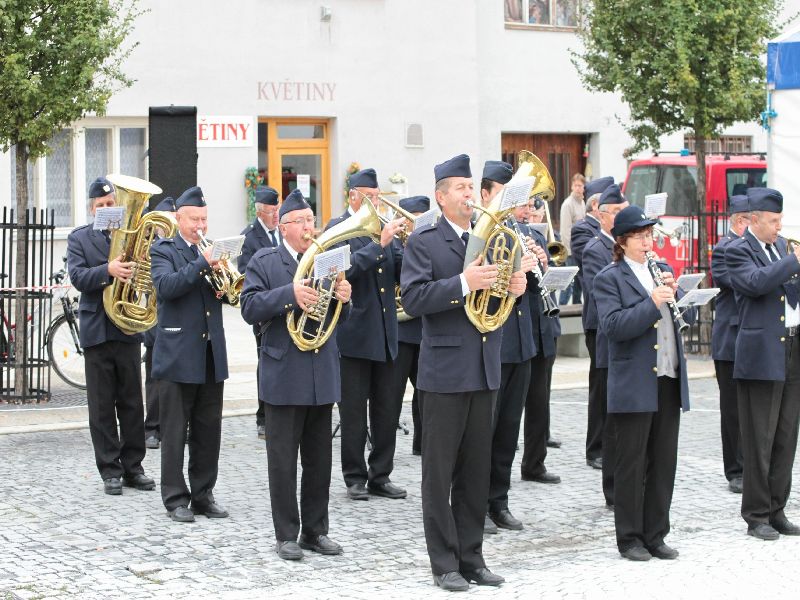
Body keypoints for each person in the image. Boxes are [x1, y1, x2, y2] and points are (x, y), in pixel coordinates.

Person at [401, 154, 527, 591]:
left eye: (472, 188)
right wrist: (462, 284)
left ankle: (472, 556)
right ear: (440, 196)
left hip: (484, 367)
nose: (470, 195)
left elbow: (494, 308)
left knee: (476, 471)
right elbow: (414, 300)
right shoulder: (425, 241)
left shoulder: (488, 238)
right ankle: (444, 563)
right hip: (444, 372)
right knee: (439, 474)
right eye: (460, 189)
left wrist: (512, 287)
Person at [240, 189, 352, 561]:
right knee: (284, 463)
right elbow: (250, 307)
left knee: (319, 462)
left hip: (321, 373)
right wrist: (289, 294)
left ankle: (315, 532)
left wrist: (343, 298)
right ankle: (286, 534)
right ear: (283, 226)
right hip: (285, 373)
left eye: (311, 220)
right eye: (301, 222)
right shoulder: (265, 260)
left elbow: (338, 321)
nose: (309, 227)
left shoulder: (325, 260)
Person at [593, 205, 694, 561]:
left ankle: (656, 533)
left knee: (663, 461)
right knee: (631, 463)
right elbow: (614, 327)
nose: (648, 241)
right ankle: (630, 538)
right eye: (641, 236)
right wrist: (652, 301)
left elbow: (686, 318)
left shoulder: (661, 270)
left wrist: (679, 293)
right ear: (622, 241)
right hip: (634, 382)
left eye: (650, 235)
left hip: (667, 376)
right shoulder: (610, 277)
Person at [67, 177, 155, 496]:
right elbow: (77, 277)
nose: (106, 208)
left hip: (127, 327)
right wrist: (108, 270)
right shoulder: (80, 239)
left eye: (110, 204)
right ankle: (110, 470)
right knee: (102, 405)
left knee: (132, 402)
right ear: (92, 209)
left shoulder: (129, 235)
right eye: (100, 206)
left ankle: (134, 467)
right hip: (98, 330)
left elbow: (146, 270)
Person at [325, 168, 407, 501]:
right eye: (370, 197)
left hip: (386, 332)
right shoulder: (338, 228)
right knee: (354, 413)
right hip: (354, 334)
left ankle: (381, 474)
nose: (376, 203)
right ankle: (355, 476)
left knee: (387, 410)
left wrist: (411, 245)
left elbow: (402, 270)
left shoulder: (383, 231)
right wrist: (379, 245)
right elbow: (338, 271)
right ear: (353, 197)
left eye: (378, 197)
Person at [150, 186, 229, 523]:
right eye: (195, 218)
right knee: (174, 430)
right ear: (179, 218)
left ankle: (203, 494)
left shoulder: (208, 251)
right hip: (178, 352)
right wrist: (202, 263)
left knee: (207, 429)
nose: (201, 225)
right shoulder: (163, 249)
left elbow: (223, 298)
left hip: (210, 351)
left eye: (205, 219)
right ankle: (175, 498)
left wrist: (224, 283)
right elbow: (167, 287)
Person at [725, 187, 800, 541]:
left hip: (791, 348)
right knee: (760, 438)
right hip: (760, 355)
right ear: (753, 220)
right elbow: (755, 284)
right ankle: (756, 514)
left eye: (780, 220)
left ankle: (777, 508)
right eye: (772, 221)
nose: (778, 226)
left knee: (786, 437)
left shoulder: (782, 249)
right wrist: (793, 262)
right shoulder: (738, 250)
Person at [481, 161, 538, 534]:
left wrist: (534, 266)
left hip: (521, 343)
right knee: (482, 431)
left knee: (507, 430)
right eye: (504, 192)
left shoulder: (519, 230)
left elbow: (529, 292)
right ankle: (474, 501)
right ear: (486, 195)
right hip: (493, 343)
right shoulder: (479, 234)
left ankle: (498, 500)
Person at [581, 185, 628, 506]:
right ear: (602, 215)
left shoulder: (622, 245)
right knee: (603, 393)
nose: (623, 218)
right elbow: (603, 291)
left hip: (626, 332)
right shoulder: (595, 248)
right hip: (604, 328)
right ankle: (596, 449)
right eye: (618, 213)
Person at [520, 198, 562, 483]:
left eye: (529, 207)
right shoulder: (504, 235)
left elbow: (543, 281)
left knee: (540, 401)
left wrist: (545, 264)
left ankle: (535, 463)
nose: (527, 211)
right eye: (522, 205)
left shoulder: (536, 235)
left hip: (543, 325)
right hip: (520, 327)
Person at [710, 195, 749, 494]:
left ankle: (748, 463)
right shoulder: (725, 248)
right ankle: (734, 469)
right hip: (730, 339)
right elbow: (740, 281)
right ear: (740, 221)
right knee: (732, 409)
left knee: (748, 407)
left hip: (746, 338)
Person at [238, 185, 282, 441]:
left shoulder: (280, 234)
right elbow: (246, 274)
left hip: (284, 307)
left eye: (277, 210)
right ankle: (263, 416)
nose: (276, 215)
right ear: (260, 212)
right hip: (264, 310)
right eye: (271, 211)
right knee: (264, 362)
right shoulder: (249, 237)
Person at [390, 195, 430, 456]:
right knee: (392, 396)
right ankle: (385, 452)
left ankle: (422, 443)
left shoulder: (428, 243)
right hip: (401, 332)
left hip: (423, 330)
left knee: (425, 393)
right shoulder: (395, 245)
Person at [143, 196, 177, 450]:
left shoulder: (181, 246)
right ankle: (152, 427)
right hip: (155, 319)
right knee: (154, 377)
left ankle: (176, 425)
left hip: (178, 321)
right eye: (164, 220)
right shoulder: (147, 247)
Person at [571, 176, 613, 302]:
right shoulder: (581, 229)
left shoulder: (605, 227)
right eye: (610, 203)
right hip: (598, 301)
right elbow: (600, 259)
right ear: (595, 205)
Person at [558, 173, 585, 305]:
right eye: (576, 185)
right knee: (568, 282)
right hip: (571, 251)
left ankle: (577, 307)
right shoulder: (567, 205)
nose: (578, 188)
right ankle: (561, 308)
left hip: (581, 250)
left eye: (580, 185)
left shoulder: (583, 202)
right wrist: (569, 251)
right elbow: (565, 231)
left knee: (580, 282)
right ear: (572, 186)